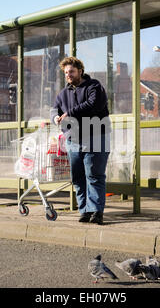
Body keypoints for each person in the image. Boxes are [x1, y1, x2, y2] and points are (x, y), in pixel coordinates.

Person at [51, 57, 111, 225]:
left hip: (96, 136)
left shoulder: (94, 86)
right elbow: (54, 108)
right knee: (78, 177)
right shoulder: (63, 93)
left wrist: (70, 113)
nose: (68, 75)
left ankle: (96, 212)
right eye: (66, 73)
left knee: (94, 175)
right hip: (73, 140)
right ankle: (84, 210)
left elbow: (93, 105)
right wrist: (55, 117)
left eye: (71, 71)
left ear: (80, 71)